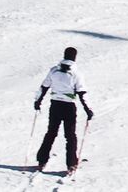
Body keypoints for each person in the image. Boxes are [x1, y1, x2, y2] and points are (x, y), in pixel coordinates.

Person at [34, 46, 94, 174]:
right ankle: (71, 164)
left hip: (55, 105)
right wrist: (88, 110)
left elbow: (44, 87)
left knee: (51, 133)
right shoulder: (76, 74)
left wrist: (38, 101)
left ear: (64, 55)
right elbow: (82, 93)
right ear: (74, 57)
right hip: (69, 107)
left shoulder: (54, 70)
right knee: (70, 136)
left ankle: (42, 160)